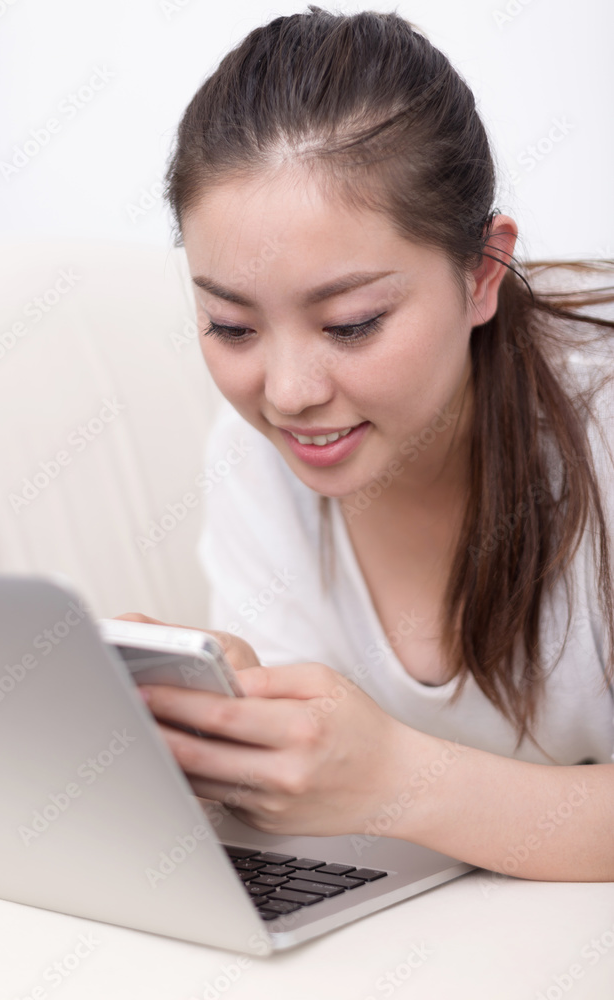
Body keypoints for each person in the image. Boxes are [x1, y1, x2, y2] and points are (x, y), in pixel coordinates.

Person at [118, 6, 614, 880]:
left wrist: (401, 780)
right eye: (231, 326)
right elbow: (315, 800)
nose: (287, 394)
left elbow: (376, 788)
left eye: (351, 324)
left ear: (482, 272)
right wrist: (227, 734)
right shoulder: (255, 454)